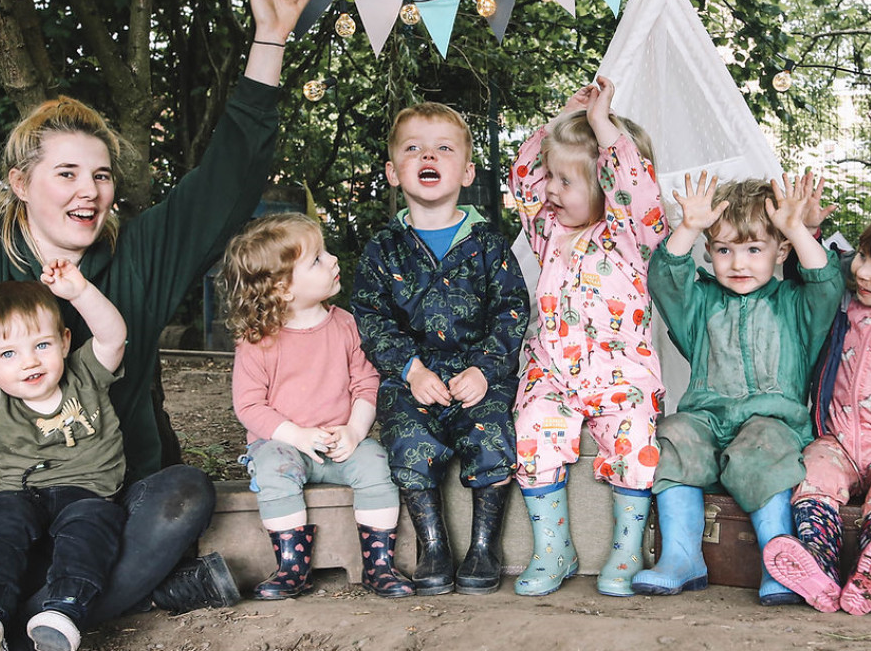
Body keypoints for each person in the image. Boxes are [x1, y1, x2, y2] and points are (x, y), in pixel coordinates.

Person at [0, 0, 314, 646]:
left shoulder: (138, 256)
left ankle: (6, 620)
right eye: (67, 173)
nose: (90, 190)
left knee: (183, 495)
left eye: (101, 175)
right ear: (20, 181)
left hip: (102, 507)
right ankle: (113, 598)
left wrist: (271, 41)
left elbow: (226, 176)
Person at [632, 173, 845, 605]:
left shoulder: (794, 304)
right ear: (708, 253)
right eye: (724, 249)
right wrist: (689, 226)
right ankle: (681, 555)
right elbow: (664, 281)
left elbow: (827, 285)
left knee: (763, 445)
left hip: (773, 424)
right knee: (674, 432)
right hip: (707, 419)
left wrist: (797, 228)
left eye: (754, 249)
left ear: (781, 250)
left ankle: (778, 560)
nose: (738, 263)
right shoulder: (702, 303)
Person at [351, 102, 529, 596]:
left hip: (477, 374)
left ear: (467, 171)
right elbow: (371, 316)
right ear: (393, 171)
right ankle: (433, 546)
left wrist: (486, 370)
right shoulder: (383, 248)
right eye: (413, 148)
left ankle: (483, 546)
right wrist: (409, 370)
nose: (428, 155)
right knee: (407, 438)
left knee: (492, 433)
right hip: (414, 377)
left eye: (444, 148)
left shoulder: (490, 243)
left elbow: (512, 310)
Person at [508, 77, 669, 597]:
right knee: (533, 427)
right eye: (552, 179)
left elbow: (636, 192)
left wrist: (603, 129)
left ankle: (626, 550)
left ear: (603, 186)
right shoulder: (547, 230)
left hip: (621, 374)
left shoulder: (631, 238)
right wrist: (563, 117)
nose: (550, 189)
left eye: (565, 182)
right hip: (552, 370)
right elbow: (523, 179)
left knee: (636, 439)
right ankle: (554, 549)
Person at [220, 213, 414, 601]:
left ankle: (379, 564)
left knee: (377, 461)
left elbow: (366, 382)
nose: (333, 260)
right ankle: (291, 567)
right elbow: (249, 404)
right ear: (283, 289)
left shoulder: (345, 325)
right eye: (317, 259)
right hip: (284, 444)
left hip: (339, 443)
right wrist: (296, 435)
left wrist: (356, 431)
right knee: (274, 468)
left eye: (325, 253)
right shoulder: (259, 340)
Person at [0, 261, 126, 651]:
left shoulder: (86, 374)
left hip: (88, 494)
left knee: (93, 526)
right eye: (7, 353)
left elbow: (113, 338)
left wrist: (80, 292)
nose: (30, 361)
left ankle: (61, 614)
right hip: (19, 496)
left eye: (41, 345)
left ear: (64, 341)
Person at [763, 199, 871, 614]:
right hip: (837, 438)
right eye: (865, 256)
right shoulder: (844, 302)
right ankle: (818, 561)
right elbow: (811, 272)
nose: (863, 271)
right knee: (813, 467)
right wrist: (811, 232)